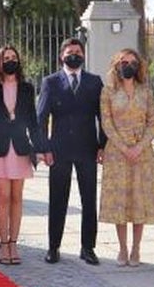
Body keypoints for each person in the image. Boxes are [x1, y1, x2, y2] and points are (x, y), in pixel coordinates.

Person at [37, 38, 105, 265]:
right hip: (59, 150)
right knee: (58, 199)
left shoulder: (94, 82)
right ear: (61, 56)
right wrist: (44, 148)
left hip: (87, 149)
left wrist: (102, 145)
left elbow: (102, 116)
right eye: (69, 52)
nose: (73, 55)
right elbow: (41, 118)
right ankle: (53, 247)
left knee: (89, 200)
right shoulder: (50, 82)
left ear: (83, 55)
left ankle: (88, 247)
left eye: (77, 51)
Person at [99, 49, 154, 266]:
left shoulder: (145, 91)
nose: (128, 65)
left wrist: (139, 147)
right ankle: (122, 248)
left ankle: (136, 248)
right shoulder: (107, 91)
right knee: (121, 202)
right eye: (123, 62)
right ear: (116, 65)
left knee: (139, 200)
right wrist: (124, 147)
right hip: (117, 153)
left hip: (142, 153)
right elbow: (106, 123)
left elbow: (151, 121)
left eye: (132, 62)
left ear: (138, 65)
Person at [0, 45, 44, 265]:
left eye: (13, 57)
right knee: (3, 197)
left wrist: (41, 148)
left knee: (17, 198)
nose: (10, 61)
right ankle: (3, 243)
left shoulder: (27, 88)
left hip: (19, 149)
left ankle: (14, 243)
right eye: (6, 58)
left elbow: (33, 122)